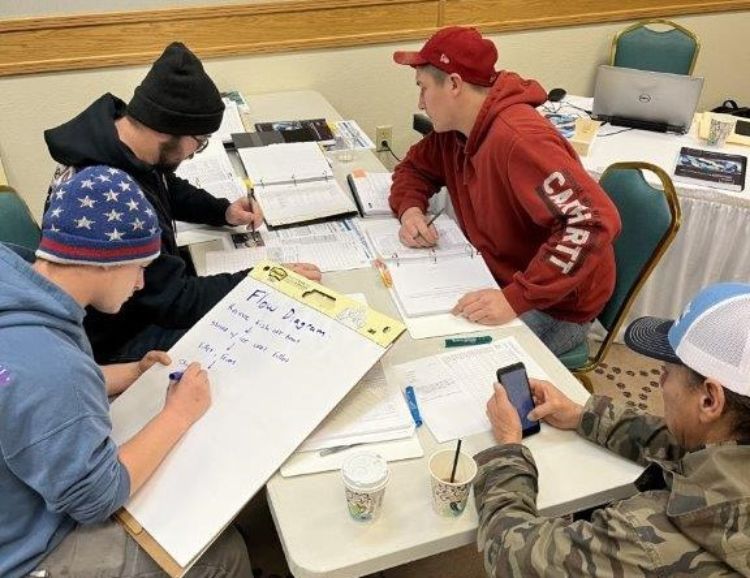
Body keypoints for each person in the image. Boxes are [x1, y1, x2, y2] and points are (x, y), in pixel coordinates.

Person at [0, 166, 252, 578]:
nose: (139, 284)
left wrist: (131, 372)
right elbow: (96, 497)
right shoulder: (53, 369)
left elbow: (27, 394)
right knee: (223, 554)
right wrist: (178, 415)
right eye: (138, 267)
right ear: (101, 263)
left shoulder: (17, 278)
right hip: (22, 551)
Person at [44, 41, 320, 364]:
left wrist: (222, 211)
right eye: (198, 143)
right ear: (168, 130)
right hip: (119, 338)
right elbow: (177, 302)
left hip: (139, 306)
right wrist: (266, 280)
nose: (193, 154)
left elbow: (165, 184)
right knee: (259, 348)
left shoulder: (122, 141)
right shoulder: (113, 197)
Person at [474, 282, 750, 577]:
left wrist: (507, 449)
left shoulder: (647, 540)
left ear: (709, 399)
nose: (660, 383)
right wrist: (583, 414)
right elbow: (680, 442)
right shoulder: (732, 435)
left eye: (666, 372)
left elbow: (509, 553)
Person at [389, 27, 621, 354]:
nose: (420, 102)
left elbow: (592, 221)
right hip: (501, 277)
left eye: (423, 89)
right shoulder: (454, 130)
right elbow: (413, 168)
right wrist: (411, 209)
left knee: (446, 358)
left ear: (454, 84)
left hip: (556, 307)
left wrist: (516, 300)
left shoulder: (519, 140)